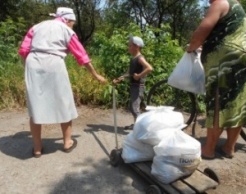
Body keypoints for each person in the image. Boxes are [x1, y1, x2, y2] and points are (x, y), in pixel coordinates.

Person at [18, 7, 106, 158]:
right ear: (67, 20)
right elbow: (82, 55)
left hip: (33, 63)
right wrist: (95, 75)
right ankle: (67, 142)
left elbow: (24, 50)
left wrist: (31, 67)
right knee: (63, 102)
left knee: (35, 105)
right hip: (54, 63)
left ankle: (37, 149)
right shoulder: (66, 30)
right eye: (73, 23)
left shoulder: (37, 27)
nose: (73, 26)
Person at [187, 0, 246, 159]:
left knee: (218, 102)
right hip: (243, 57)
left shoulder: (220, 2)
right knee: (237, 103)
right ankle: (229, 147)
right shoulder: (238, 8)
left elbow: (202, 31)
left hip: (224, 61)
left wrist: (190, 48)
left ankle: (209, 149)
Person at [113, 36, 153, 130]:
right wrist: (120, 78)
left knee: (135, 108)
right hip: (134, 86)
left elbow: (149, 68)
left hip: (138, 86)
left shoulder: (140, 58)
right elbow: (129, 73)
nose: (128, 47)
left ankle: (141, 129)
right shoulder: (133, 58)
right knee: (133, 107)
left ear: (137, 46)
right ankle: (137, 125)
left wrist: (139, 76)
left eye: (130, 45)